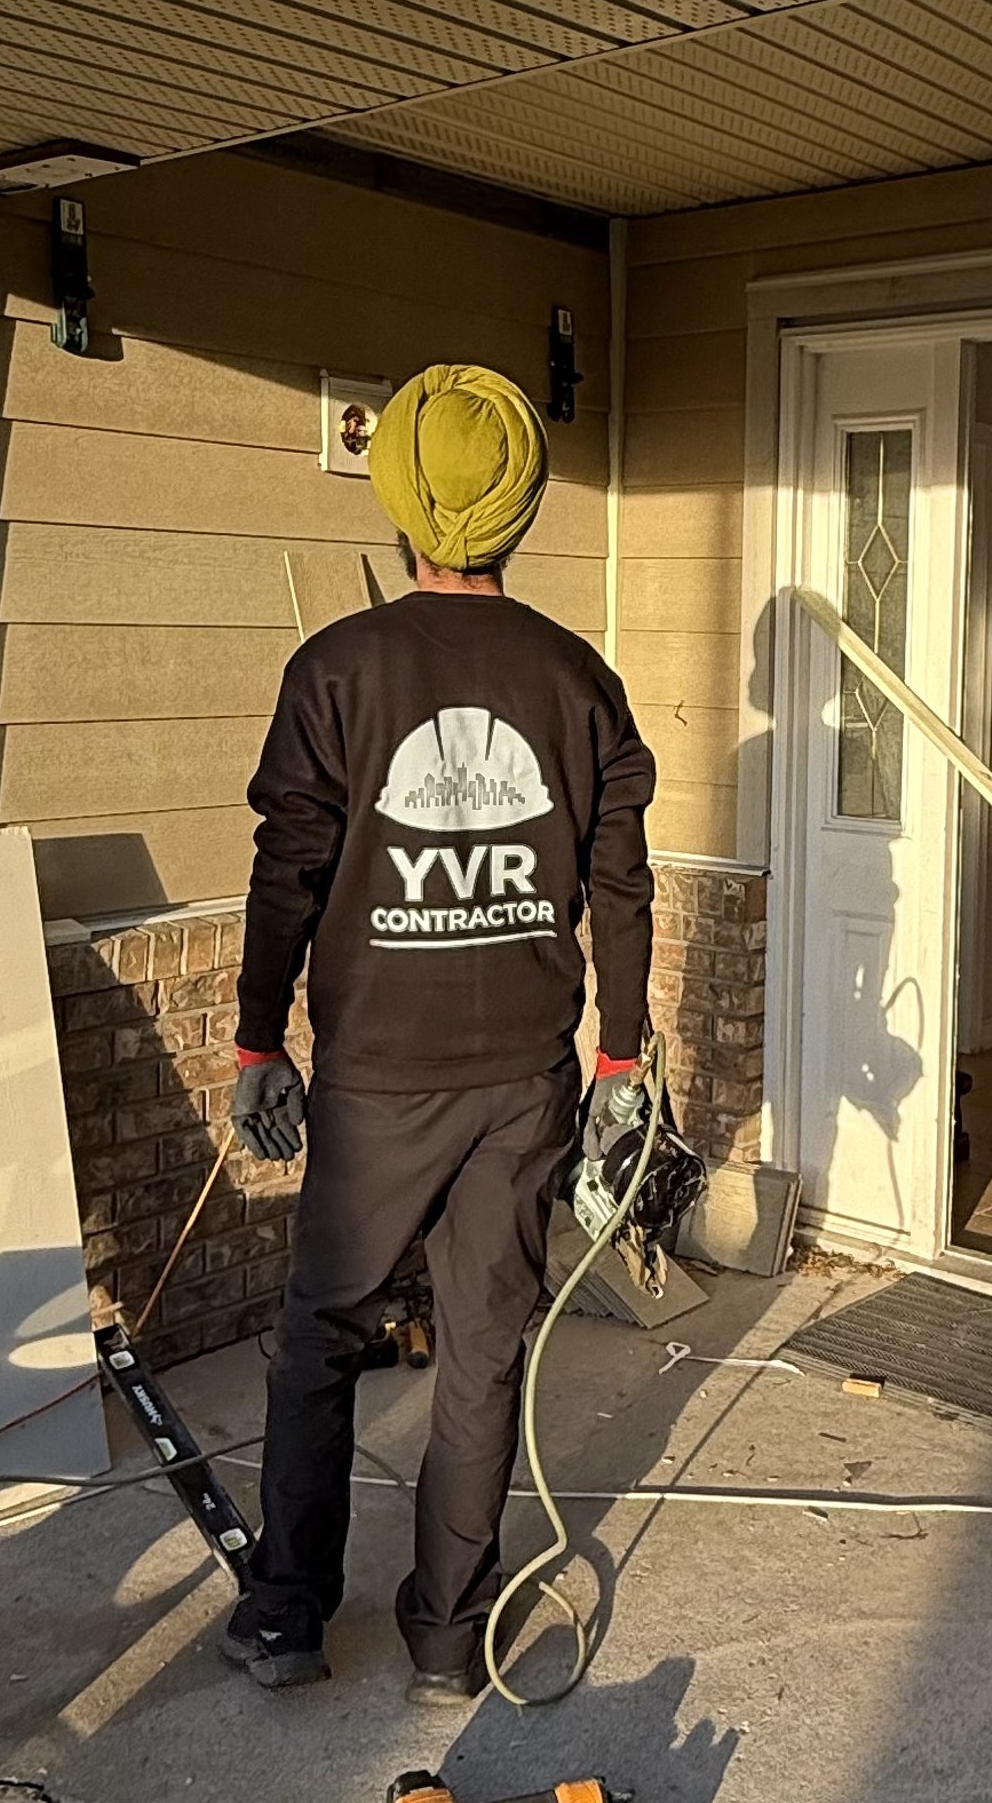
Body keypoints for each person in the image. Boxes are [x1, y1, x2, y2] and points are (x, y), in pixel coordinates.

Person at [220, 364, 656, 1698]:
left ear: (397, 498)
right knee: (483, 1353)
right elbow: (621, 885)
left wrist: (257, 1041)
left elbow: (285, 863)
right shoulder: (580, 679)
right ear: (522, 505)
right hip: (527, 1081)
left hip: (381, 1084)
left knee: (321, 1339)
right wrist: (623, 1062)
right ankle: (450, 1637)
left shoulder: (337, 669)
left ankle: (290, 1610)